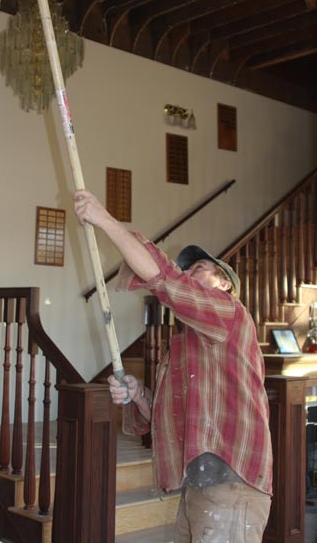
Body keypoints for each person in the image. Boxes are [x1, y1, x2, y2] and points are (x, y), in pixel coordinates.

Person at [74, 189, 273, 543]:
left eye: (199, 268)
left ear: (224, 283)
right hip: (198, 487)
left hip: (232, 484)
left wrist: (104, 219)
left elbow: (164, 281)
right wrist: (137, 394)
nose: (188, 273)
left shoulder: (230, 312)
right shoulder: (181, 346)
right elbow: (161, 416)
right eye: (187, 269)